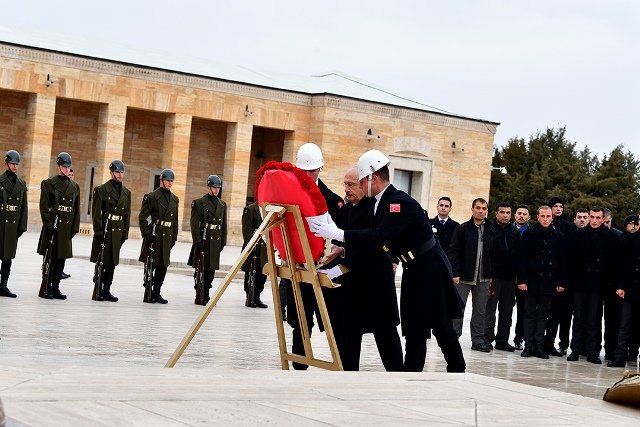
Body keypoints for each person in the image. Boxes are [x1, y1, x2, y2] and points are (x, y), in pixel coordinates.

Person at [310, 150, 465, 373]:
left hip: (429, 266)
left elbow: (379, 235)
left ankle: (458, 368)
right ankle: (410, 375)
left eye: (362, 182)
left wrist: (340, 234)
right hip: (413, 266)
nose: (360, 187)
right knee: (414, 327)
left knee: (440, 324)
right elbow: (374, 236)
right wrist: (344, 246)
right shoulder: (381, 202)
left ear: (373, 178)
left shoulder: (397, 203)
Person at [324, 166, 403, 371]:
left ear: (363, 185)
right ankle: (347, 374)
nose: (347, 189)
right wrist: (340, 249)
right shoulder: (348, 207)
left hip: (375, 280)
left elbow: (379, 237)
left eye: (351, 185)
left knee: (384, 330)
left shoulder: (374, 206)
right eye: (345, 185)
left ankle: (397, 375)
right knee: (348, 329)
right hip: (352, 282)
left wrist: (345, 247)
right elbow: (341, 235)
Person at [286, 142, 343, 370]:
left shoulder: (333, 201)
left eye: (313, 170)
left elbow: (341, 233)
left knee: (333, 319)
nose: (308, 175)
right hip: (296, 265)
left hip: (324, 267)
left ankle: (342, 365)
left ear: (321, 168)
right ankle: (299, 365)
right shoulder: (288, 193)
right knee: (300, 320)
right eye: (304, 171)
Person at [566, 207, 616, 364]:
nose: (594, 220)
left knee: (594, 319)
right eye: (592, 217)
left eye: (597, 217)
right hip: (580, 283)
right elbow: (571, 261)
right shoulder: (577, 236)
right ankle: (575, 349)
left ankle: (592, 351)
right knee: (579, 318)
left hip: (598, 285)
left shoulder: (610, 237)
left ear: (602, 219)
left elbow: (612, 264)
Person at [517, 206, 566, 359]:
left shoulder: (558, 236)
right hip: (531, 280)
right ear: (537, 217)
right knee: (529, 314)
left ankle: (538, 345)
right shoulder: (529, 235)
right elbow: (522, 259)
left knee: (543, 315)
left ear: (552, 217)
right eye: (543, 216)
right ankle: (528, 345)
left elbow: (562, 261)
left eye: (548, 216)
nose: (545, 219)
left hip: (549, 281)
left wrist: (561, 282)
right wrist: (522, 280)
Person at [448, 198, 495, 352]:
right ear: (472, 209)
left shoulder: (491, 229)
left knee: (480, 310)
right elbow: (454, 251)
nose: (481, 211)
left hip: (483, 277)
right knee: (458, 308)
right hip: (463, 276)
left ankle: (478, 339)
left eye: (484, 208)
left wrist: (491, 274)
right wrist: (455, 273)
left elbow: (494, 254)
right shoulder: (462, 229)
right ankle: (453, 337)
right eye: (478, 208)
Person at [37, 152, 80, 300]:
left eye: (68, 167)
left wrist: (74, 228)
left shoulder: (74, 186)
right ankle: (47, 285)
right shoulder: (49, 183)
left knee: (61, 259)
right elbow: (44, 207)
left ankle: (56, 287)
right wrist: (48, 225)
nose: (67, 169)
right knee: (51, 259)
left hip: (66, 228)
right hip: (53, 227)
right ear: (58, 166)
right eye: (64, 166)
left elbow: (76, 210)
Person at [89, 160, 131, 302]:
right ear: (111, 172)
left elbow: (127, 216)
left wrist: (125, 234)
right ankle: (99, 287)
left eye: (121, 172)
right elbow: (96, 213)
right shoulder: (101, 190)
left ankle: (107, 289)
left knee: (112, 262)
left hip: (118, 231)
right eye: (118, 172)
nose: (120, 175)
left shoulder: (126, 193)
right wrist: (99, 231)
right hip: (106, 230)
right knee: (102, 262)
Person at [138, 168, 179, 304]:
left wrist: (174, 238)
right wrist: (147, 234)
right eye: (167, 180)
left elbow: (175, 222)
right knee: (152, 265)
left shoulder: (174, 199)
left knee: (163, 266)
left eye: (171, 181)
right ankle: (148, 288)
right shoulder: (152, 196)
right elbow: (143, 217)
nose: (169, 183)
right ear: (161, 180)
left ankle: (157, 291)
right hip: (155, 234)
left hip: (167, 236)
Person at [187, 175, 227, 306]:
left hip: (215, 240)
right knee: (201, 269)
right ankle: (200, 292)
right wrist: (197, 241)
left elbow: (224, 225)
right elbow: (194, 224)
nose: (216, 190)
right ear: (209, 187)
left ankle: (207, 292)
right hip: (204, 240)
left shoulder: (222, 204)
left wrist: (223, 242)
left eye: (218, 188)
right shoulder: (199, 203)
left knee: (211, 270)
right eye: (214, 187)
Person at [484, 202, 519, 352]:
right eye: (502, 212)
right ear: (496, 213)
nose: (505, 215)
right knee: (489, 310)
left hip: (510, 279)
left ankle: (502, 341)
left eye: (508, 212)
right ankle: (486, 339)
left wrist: (518, 275)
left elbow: (519, 255)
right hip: (493, 277)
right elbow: (486, 254)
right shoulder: (489, 229)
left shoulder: (515, 232)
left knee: (507, 311)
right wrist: (488, 275)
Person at [544, 196, 576, 355]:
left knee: (558, 314)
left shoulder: (569, 228)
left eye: (560, 206)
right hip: (544, 277)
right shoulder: (542, 226)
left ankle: (555, 342)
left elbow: (568, 256)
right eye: (555, 206)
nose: (558, 209)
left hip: (560, 277)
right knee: (543, 312)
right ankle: (538, 341)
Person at [608, 215, 640, 367]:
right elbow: (622, 266)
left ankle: (634, 354)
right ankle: (620, 357)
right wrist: (620, 286)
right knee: (625, 324)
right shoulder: (630, 240)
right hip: (630, 289)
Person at [0, 150, 28, 298]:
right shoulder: (0, 180)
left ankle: (3, 285)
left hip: (12, 227)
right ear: (6, 163)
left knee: (7, 257)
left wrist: (21, 227)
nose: (15, 166)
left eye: (17, 164)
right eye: (12, 163)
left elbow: (24, 208)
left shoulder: (21, 184)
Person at [240, 199, 268, 308]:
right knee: (250, 273)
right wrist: (251, 245)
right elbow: (246, 231)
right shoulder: (250, 209)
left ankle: (257, 296)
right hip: (252, 248)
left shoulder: (269, 210)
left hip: (264, 248)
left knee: (262, 274)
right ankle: (249, 296)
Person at [512, 204, 530, 349]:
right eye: (519, 213)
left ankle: (519, 338)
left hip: (523, 278)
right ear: (515, 215)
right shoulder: (508, 230)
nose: (521, 216)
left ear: (529, 217)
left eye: (525, 214)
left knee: (523, 309)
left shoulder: (531, 233)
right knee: (503, 309)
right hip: (506, 276)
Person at [60, 168, 75, 280]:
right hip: (58, 222)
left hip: (68, 223)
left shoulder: (74, 188)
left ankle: (61, 270)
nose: (70, 176)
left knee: (64, 250)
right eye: (69, 174)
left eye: (72, 175)